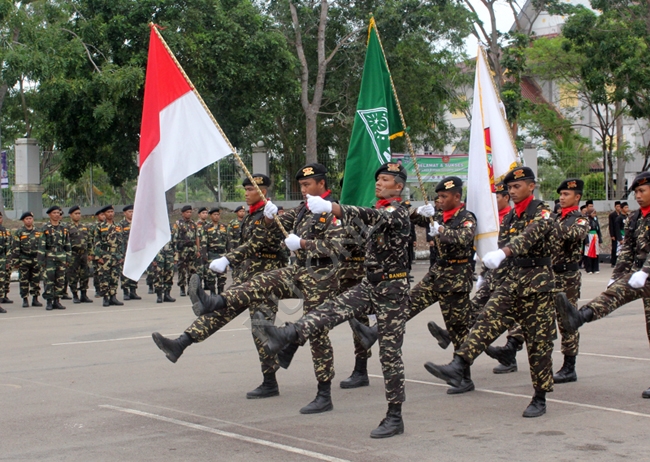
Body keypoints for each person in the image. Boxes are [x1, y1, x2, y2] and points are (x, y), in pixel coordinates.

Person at [257, 162, 411, 438]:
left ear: (398, 186)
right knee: (329, 310)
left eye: (385, 179)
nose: (378, 183)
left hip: (393, 289)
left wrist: (333, 208)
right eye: (377, 179)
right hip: (369, 284)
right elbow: (357, 225)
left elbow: (368, 216)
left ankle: (394, 416)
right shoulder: (377, 211)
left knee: (389, 356)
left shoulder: (397, 212)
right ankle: (289, 334)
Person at [174, 164, 344, 412]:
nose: (304, 190)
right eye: (301, 186)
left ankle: (323, 393)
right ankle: (213, 303)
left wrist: (304, 243)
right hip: (298, 272)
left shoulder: (335, 211)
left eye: (308, 185)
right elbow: (271, 229)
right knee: (260, 283)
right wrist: (267, 217)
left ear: (321, 184)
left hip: (321, 277)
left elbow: (337, 249)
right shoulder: (302, 210)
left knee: (317, 333)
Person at [422, 166, 557, 418]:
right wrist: (490, 279)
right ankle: (459, 364)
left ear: (531, 186)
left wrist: (504, 253)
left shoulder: (542, 212)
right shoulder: (508, 218)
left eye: (517, 186)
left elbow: (530, 235)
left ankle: (540, 396)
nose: (512, 191)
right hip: (511, 282)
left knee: (538, 344)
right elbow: (504, 250)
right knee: (485, 321)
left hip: (537, 285)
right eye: (510, 188)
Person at [151, 173, 288, 400]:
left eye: (250, 189)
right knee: (217, 312)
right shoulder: (250, 216)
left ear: (262, 191)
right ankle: (180, 344)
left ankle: (270, 381)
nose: (246, 193)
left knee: (261, 330)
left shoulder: (271, 214)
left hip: (265, 282)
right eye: (244, 189)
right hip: (246, 280)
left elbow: (260, 244)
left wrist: (228, 258)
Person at [556, 171, 650, 400]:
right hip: (641, 274)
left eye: (642, 191)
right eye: (636, 191)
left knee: (618, 293)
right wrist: (616, 274)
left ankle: (581, 316)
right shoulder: (636, 218)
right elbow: (626, 250)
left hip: (646, 274)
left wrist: (645, 271)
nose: (637, 196)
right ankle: (580, 316)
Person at [486, 179, 589, 382]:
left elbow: (573, 235)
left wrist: (545, 225)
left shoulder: (579, 220)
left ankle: (569, 366)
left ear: (577, 197)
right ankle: (511, 348)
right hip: (545, 273)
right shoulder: (552, 217)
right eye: (561, 194)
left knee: (566, 320)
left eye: (567, 194)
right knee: (529, 312)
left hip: (567, 276)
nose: (562, 198)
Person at [38, 205, 72, 310]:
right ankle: (49, 301)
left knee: (60, 280)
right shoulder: (45, 228)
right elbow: (41, 245)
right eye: (54, 213)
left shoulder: (63, 228)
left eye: (58, 213)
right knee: (49, 280)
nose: (57, 215)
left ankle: (57, 300)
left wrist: (68, 258)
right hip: (49, 257)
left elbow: (67, 244)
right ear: (49, 215)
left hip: (61, 256)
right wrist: (41, 260)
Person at [91, 205, 124, 306]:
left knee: (114, 277)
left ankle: (113, 297)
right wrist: (98, 257)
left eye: (112, 212)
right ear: (104, 214)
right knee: (104, 277)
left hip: (116, 255)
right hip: (105, 255)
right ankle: (105, 298)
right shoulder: (100, 226)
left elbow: (121, 242)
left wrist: (122, 255)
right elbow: (96, 242)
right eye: (108, 212)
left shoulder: (118, 226)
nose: (110, 214)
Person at [12, 211, 43, 308]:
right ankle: (25, 299)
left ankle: (35, 299)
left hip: (35, 259)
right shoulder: (19, 232)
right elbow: (16, 247)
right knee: (24, 280)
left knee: (36, 280)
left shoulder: (38, 231)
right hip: (24, 259)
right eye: (27, 219)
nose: (29, 220)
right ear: (23, 221)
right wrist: (16, 261)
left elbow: (42, 246)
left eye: (30, 218)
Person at [67, 206, 93, 303]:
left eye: (79, 213)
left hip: (84, 254)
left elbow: (89, 241)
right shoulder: (67, 227)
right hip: (73, 254)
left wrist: (90, 253)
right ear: (71, 215)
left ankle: (84, 294)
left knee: (84, 275)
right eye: (75, 214)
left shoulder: (84, 227)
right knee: (73, 275)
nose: (78, 215)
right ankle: (75, 295)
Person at [173, 205, 200, 297]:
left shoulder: (193, 224)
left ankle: (190, 288)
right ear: (183, 213)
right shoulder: (178, 224)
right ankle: (182, 288)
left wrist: (198, 249)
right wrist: (176, 252)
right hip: (182, 250)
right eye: (187, 212)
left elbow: (197, 237)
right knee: (182, 270)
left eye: (190, 212)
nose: (189, 214)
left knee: (192, 270)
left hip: (192, 249)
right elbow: (175, 238)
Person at [203, 208, 228, 294]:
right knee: (211, 276)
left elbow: (228, 241)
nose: (216, 216)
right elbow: (203, 242)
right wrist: (204, 255)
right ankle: (213, 293)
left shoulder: (224, 227)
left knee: (222, 276)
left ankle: (221, 293)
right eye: (214, 215)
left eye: (218, 215)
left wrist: (228, 254)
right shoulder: (206, 227)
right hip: (211, 254)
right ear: (211, 216)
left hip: (222, 254)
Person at [119, 205, 141, 300]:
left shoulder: (137, 223)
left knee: (135, 270)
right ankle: (125, 291)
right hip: (125, 252)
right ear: (125, 213)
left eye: (133, 211)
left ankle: (133, 291)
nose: (131, 214)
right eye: (129, 212)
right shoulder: (121, 224)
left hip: (135, 252)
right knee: (125, 272)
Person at [152, 226, 176, 303]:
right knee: (158, 275)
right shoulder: (155, 229)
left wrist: (176, 256)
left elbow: (175, 243)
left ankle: (167, 294)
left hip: (169, 254)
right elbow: (151, 244)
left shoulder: (170, 228)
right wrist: (153, 258)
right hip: (159, 255)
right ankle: (159, 296)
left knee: (169, 275)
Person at [91, 210, 106, 298]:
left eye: (104, 214)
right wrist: (94, 254)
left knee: (105, 273)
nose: (103, 216)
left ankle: (105, 290)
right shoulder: (94, 227)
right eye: (101, 215)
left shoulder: (109, 226)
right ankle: (97, 290)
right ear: (97, 216)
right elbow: (91, 240)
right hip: (96, 252)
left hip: (106, 253)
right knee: (97, 272)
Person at [584, 208, 602, 274]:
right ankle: (589, 268)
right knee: (589, 252)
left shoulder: (595, 219)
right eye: (593, 213)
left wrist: (600, 240)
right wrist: (586, 241)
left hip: (595, 236)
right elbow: (585, 231)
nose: (595, 214)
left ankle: (595, 268)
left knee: (596, 252)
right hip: (589, 236)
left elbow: (598, 230)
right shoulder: (586, 220)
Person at [0, 211, 10, 313]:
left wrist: (8, 260)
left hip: (1, 259)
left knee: (1, 282)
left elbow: (8, 247)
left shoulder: (3, 231)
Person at [609, 201, 622, 266]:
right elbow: (611, 225)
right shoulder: (612, 215)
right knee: (614, 247)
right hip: (614, 233)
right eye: (617, 206)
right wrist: (612, 235)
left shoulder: (621, 214)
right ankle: (613, 261)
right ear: (615, 207)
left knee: (620, 248)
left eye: (619, 206)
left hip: (620, 233)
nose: (618, 208)